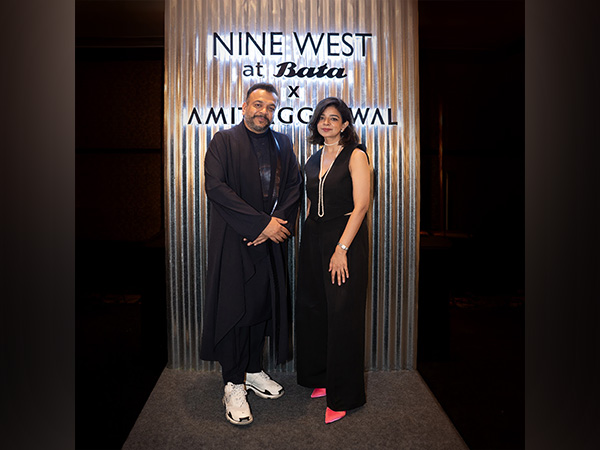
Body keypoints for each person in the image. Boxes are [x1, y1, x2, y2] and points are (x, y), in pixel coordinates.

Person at [200, 82, 302, 425]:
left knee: (261, 305)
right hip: (234, 239)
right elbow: (216, 188)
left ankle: (254, 370)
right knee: (234, 308)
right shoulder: (222, 141)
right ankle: (233, 382)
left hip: (268, 240)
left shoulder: (282, 143)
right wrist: (260, 224)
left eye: (270, 107)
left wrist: (275, 225)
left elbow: (293, 187)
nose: (264, 112)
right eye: (258, 105)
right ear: (244, 107)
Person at [295, 97, 371, 424]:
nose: (326, 123)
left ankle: (345, 396)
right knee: (314, 309)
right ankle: (322, 378)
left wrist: (341, 249)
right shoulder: (312, 159)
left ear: (344, 124)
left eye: (333, 118)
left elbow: (362, 205)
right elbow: (311, 205)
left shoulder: (356, 155)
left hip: (345, 239)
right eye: (322, 118)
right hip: (314, 238)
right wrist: (308, 242)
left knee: (342, 315)